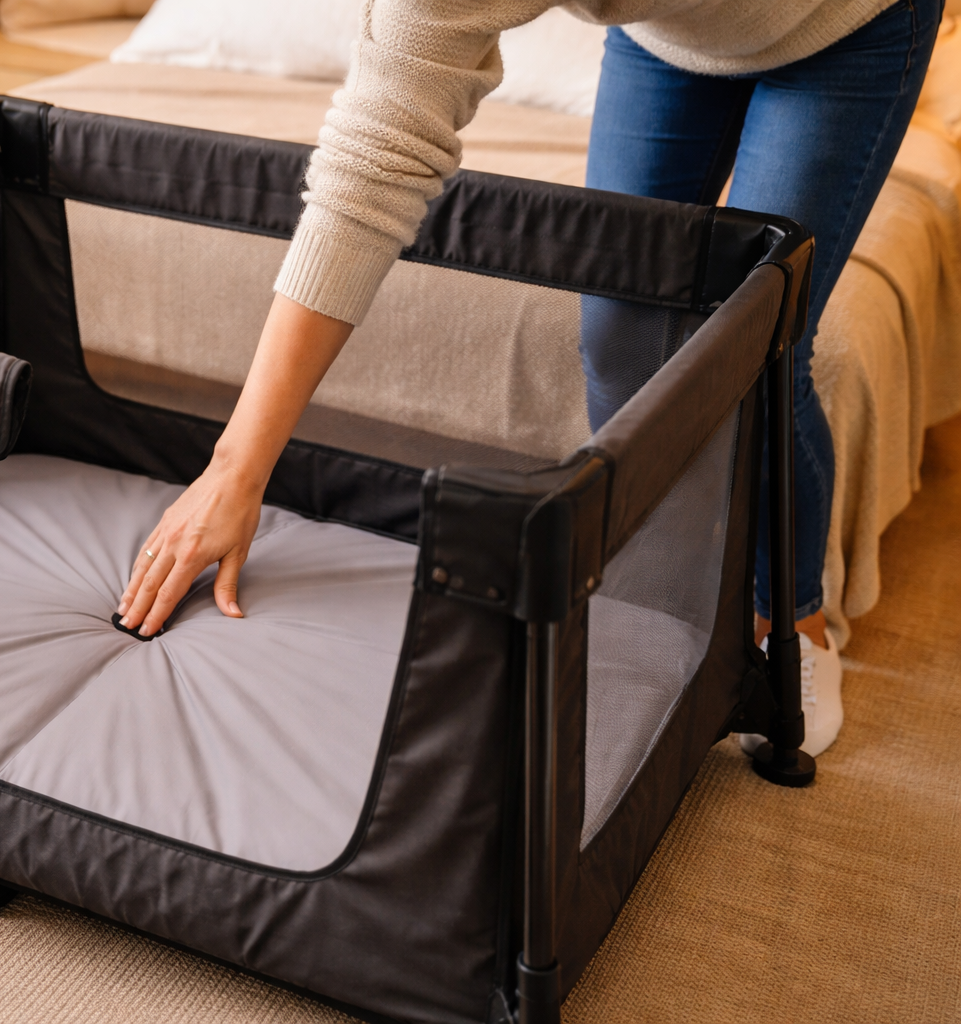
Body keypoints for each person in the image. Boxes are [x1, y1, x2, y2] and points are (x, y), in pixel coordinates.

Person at [115, 0, 942, 757]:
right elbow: (371, 164)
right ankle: (668, 596)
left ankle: (792, 616)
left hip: (840, 27)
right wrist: (236, 468)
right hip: (665, 36)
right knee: (618, 338)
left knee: (758, 341)